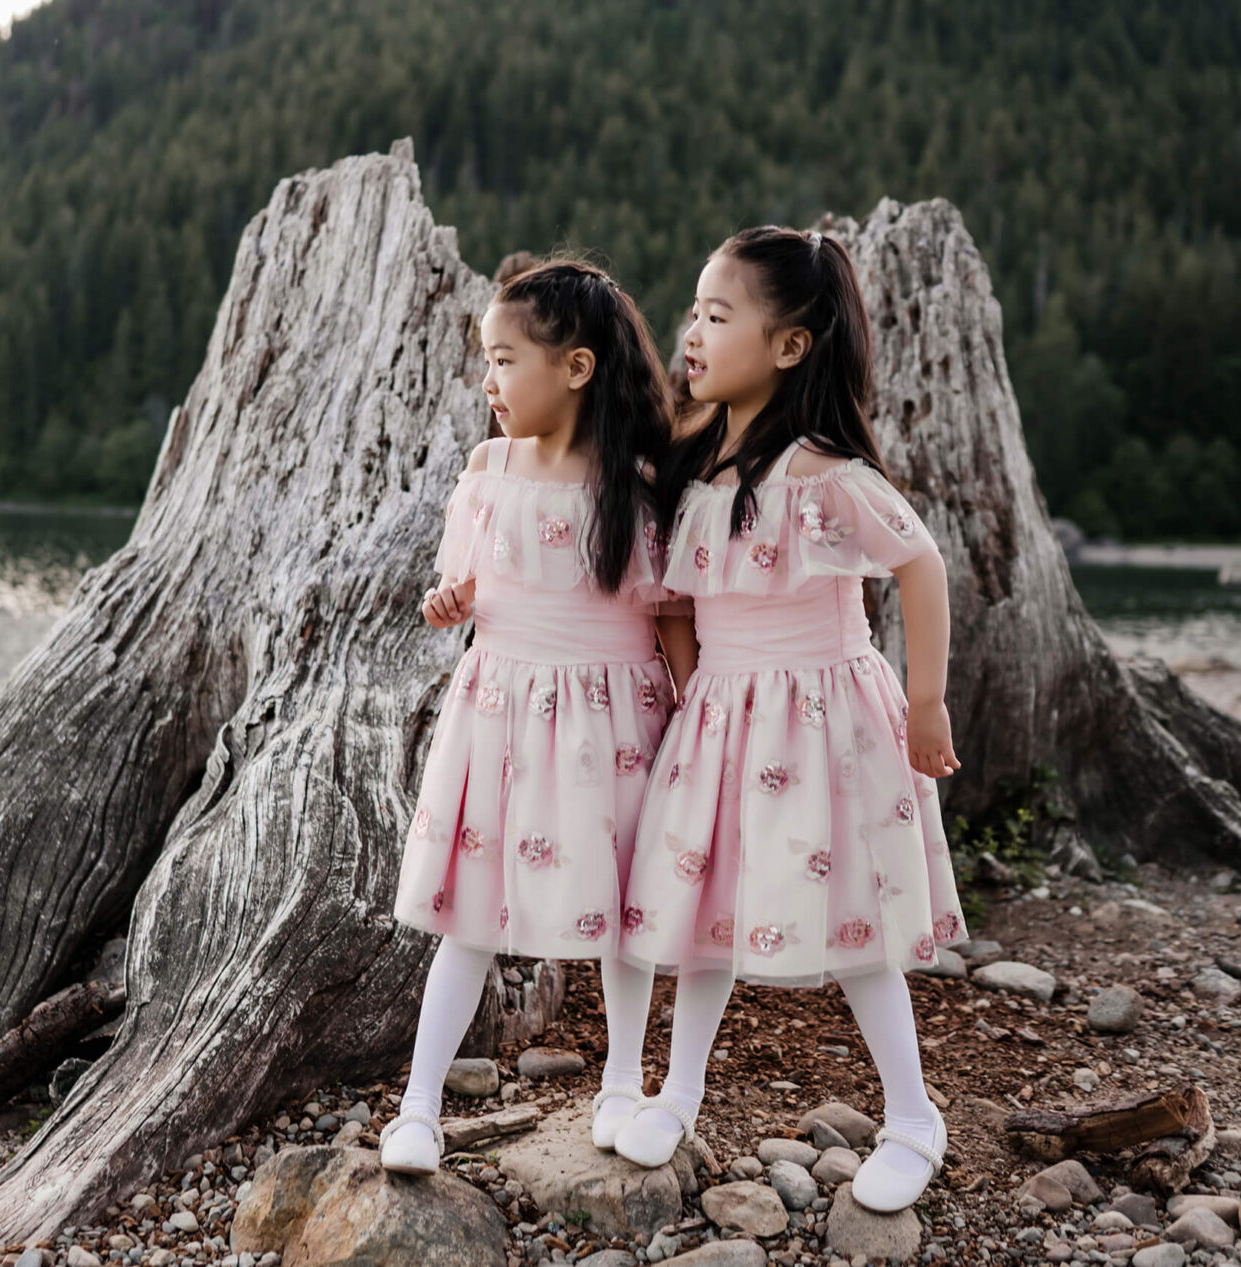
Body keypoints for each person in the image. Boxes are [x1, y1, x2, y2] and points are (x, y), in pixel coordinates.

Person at [614, 227, 967, 1213]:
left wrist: (927, 699)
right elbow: (679, 607)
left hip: (822, 719)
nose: (691, 332)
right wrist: (688, 694)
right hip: (725, 719)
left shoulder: (823, 476)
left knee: (854, 923)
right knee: (702, 910)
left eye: (717, 314)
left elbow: (920, 563)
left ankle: (911, 1114)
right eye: (691, 310)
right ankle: (676, 1089)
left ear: (789, 345)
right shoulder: (698, 475)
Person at [382, 258, 676, 1174]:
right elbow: (472, 582)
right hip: (503, 710)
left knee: (625, 911)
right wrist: (453, 601)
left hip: (612, 718)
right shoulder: (489, 467)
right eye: (487, 361)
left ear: (577, 367)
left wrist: (697, 724)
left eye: (506, 359)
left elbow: (668, 616)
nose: (489, 380)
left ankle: (622, 1083)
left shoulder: (637, 481)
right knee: (469, 914)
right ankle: (420, 1104)